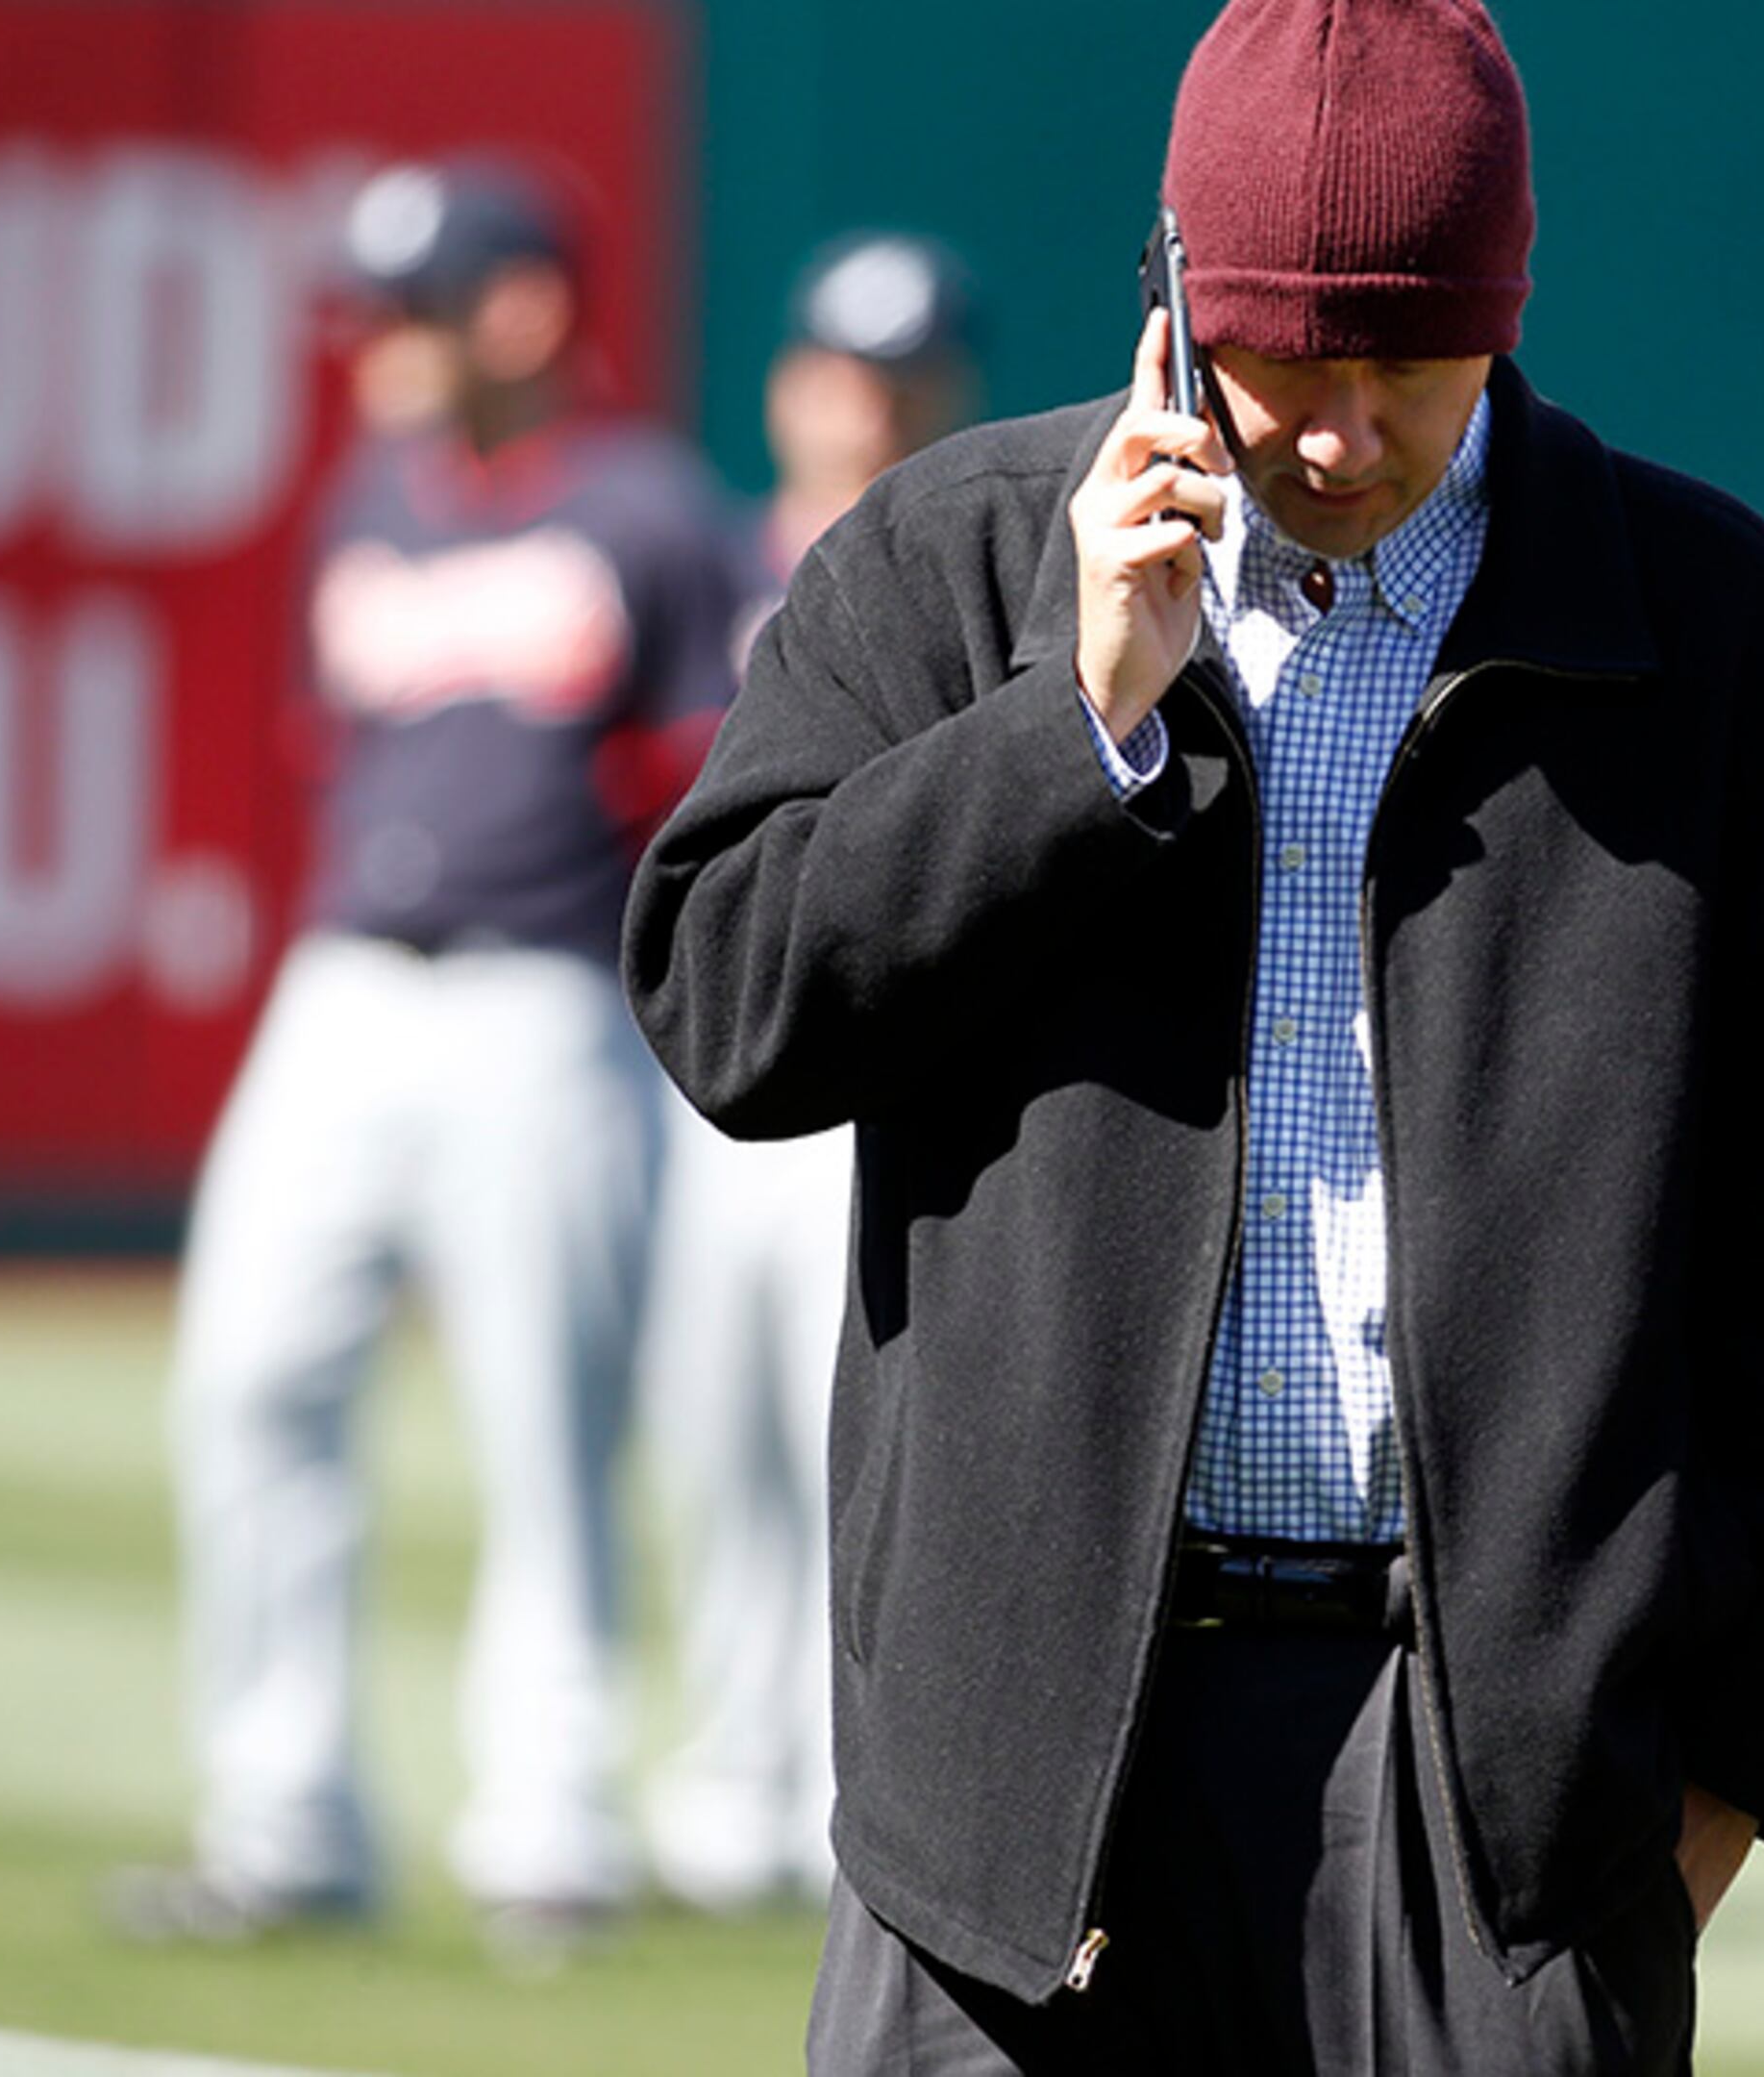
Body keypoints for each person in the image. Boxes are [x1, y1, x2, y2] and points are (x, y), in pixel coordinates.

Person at [624, 0, 1764, 2066]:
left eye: (1410, 361)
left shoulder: (1730, 646)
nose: (1341, 429)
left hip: (1494, 1819)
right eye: (1282, 360)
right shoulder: (953, 560)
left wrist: (1718, 1776)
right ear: (1171, 301)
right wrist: (1072, 728)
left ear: (1508, 310)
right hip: (1013, 1808)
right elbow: (730, 1012)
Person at [112, 160, 742, 1961]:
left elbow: (707, 784)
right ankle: (281, 1820)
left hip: (545, 1006)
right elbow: (337, 750)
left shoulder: (648, 513)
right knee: (246, 1384)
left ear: (523, 311)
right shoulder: (365, 499)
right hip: (344, 992)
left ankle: (549, 1829)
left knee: (546, 1434)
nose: (377, 347)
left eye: (411, 310)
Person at [637, 231, 986, 1916]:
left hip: (897, 1074)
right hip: (726, 1065)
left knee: (855, 1436)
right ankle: (726, 1778)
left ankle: (844, 1794)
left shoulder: (988, 573)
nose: (868, 411)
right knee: (715, 1439)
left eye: (903, 381)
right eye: (846, 376)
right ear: (789, 388)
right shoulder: (705, 574)